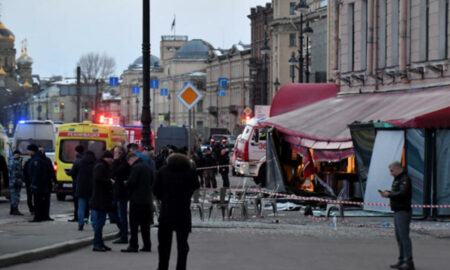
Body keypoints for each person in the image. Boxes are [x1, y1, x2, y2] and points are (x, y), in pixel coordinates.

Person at [154, 152, 200, 270]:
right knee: (182, 245)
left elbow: (156, 190)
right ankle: (181, 267)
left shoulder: (163, 171)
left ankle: (162, 267)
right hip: (183, 211)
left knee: (164, 244)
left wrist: (164, 197)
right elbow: (196, 186)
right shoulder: (190, 172)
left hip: (166, 211)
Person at [379, 161, 414, 270]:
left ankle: (408, 262)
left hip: (403, 210)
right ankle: (402, 259)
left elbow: (403, 193)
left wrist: (389, 194)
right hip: (398, 210)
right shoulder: (398, 179)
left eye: (392, 171)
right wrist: (388, 193)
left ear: (398, 169)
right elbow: (398, 192)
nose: (391, 173)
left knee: (404, 237)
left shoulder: (404, 179)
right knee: (399, 237)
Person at [121, 152, 153, 253]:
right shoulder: (147, 167)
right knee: (145, 225)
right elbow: (152, 180)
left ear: (131, 159)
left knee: (134, 224)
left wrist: (126, 184)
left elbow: (132, 182)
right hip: (147, 199)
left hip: (136, 199)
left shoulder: (135, 168)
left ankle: (133, 245)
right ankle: (147, 245)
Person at [91, 151, 115, 252]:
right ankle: (97, 244)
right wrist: (109, 181)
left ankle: (100, 243)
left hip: (102, 198)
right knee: (99, 223)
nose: (112, 160)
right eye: (111, 158)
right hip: (100, 199)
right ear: (107, 158)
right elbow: (98, 179)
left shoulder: (102, 166)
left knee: (100, 222)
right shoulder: (100, 166)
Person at [27, 144, 52, 222]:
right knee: (40, 201)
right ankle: (42, 216)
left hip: (38, 185)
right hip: (41, 184)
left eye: (28, 150)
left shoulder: (36, 160)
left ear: (32, 151)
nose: (28, 152)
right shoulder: (38, 158)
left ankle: (38, 217)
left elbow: (36, 173)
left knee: (37, 201)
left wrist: (34, 184)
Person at [111, 145, 130, 244]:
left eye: (116, 152)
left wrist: (115, 160)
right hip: (118, 191)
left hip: (122, 192)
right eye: (114, 152)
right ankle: (122, 232)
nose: (115, 154)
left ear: (121, 153)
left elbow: (116, 172)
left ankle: (124, 235)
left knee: (122, 215)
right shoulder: (120, 162)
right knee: (117, 213)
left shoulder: (124, 163)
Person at [74, 151, 96, 231]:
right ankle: (94, 224)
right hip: (92, 189)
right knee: (93, 208)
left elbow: (73, 172)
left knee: (81, 208)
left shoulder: (79, 163)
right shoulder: (95, 164)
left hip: (81, 188)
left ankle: (80, 224)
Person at [66, 145, 84, 222]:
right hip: (86, 183)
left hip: (77, 183)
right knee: (85, 203)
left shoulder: (77, 160)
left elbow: (72, 172)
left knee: (77, 202)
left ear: (77, 151)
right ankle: (85, 218)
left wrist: (67, 172)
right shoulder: (85, 159)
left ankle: (77, 218)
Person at [38, 145, 56, 221]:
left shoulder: (47, 160)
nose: (41, 152)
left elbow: (51, 171)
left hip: (47, 183)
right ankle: (40, 215)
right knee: (39, 201)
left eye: (42, 150)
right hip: (39, 184)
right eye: (40, 150)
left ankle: (46, 215)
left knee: (46, 201)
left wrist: (55, 181)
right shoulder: (37, 160)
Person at [8, 150, 24, 216]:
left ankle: (12, 209)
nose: (18, 156)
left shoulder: (11, 160)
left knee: (13, 195)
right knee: (15, 196)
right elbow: (16, 172)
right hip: (15, 181)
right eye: (17, 154)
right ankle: (15, 209)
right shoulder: (15, 161)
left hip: (14, 181)